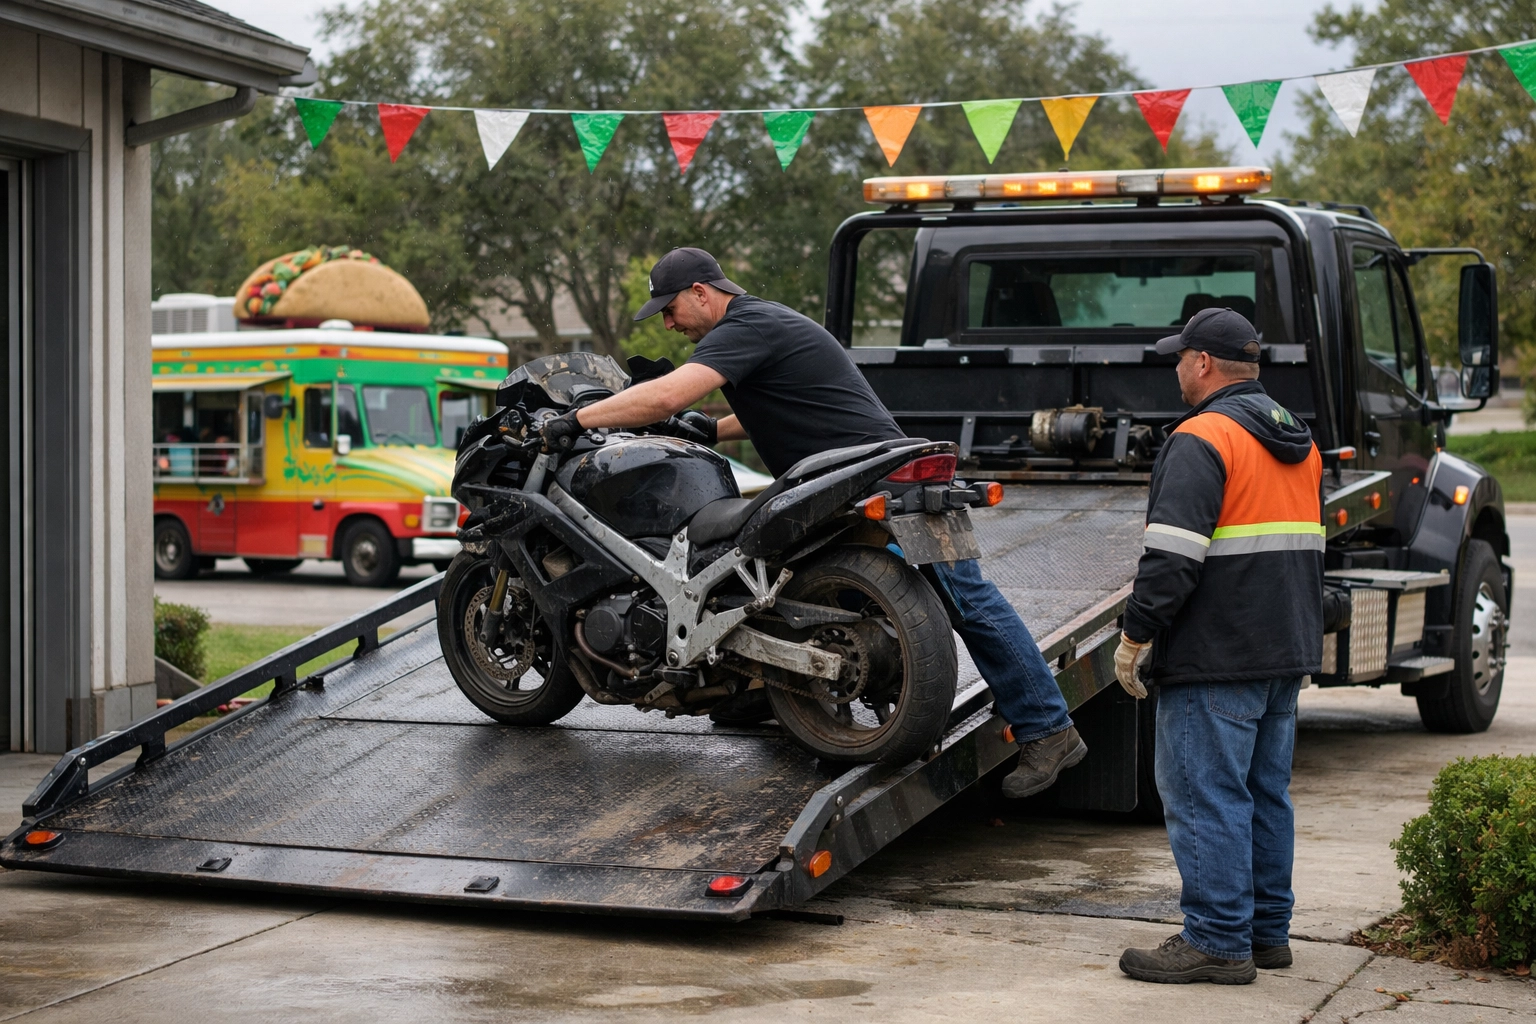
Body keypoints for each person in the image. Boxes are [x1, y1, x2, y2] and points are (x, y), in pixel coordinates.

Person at [541, 247, 1085, 796]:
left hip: (870, 480)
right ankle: (753, 695)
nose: (668, 322)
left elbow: (666, 395)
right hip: (851, 477)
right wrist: (712, 430)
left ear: (702, 292)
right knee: (768, 580)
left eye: (670, 308)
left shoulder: (741, 327)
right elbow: (789, 401)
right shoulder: (766, 322)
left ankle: (1048, 729)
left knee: (969, 602)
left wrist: (575, 420)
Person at [1113, 307, 1324, 985]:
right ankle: (1266, 932)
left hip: (1217, 653)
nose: (1176, 367)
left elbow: (1172, 558)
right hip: (1284, 647)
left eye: (1180, 357)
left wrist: (1135, 634)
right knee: (1265, 793)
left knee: (1206, 794)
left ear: (1202, 363)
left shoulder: (1203, 437)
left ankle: (1216, 938)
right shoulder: (1298, 438)